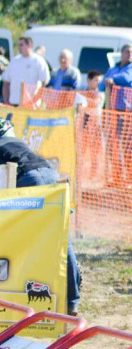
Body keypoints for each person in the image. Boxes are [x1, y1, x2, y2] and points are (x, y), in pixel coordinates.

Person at [0, 118, 82, 315]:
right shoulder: (16, 143)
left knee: (16, 238)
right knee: (62, 240)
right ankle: (72, 301)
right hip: (50, 175)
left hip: (29, 179)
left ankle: (15, 293)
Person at [2, 36, 50, 106]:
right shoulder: (14, 61)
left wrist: (35, 99)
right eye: (18, 45)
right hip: (14, 103)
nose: (19, 47)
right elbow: (6, 82)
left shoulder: (38, 61)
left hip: (31, 104)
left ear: (29, 45)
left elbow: (44, 83)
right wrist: (6, 100)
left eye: (21, 45)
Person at [103, 44, 132, 112]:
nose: (130, 54)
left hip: (128, 108)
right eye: (128, 51)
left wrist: (112, 79)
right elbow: (102, 85)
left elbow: (126, 77)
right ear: (121, 53)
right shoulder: (113, 69)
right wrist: (107, 81)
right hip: (112, 107)